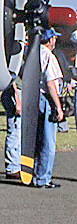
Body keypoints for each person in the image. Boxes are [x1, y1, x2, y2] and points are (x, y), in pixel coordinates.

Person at [34, 28, 66, 188]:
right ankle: (43, 178)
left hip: (34, 98)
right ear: (51, 39)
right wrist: (58, 107)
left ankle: (34, 174)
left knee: (37, 139)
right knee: (48, 141)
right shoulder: (49, 56)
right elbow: (51, 83)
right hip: (46, 99)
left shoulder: (33, 53)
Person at [1, 76, 21, 179]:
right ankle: (12, 168)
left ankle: (18, 164)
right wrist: (17, 99)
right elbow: (11, 78)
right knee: (14, 132)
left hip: (20, 92)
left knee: (19, 132)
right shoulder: (15, 60)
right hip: (14, 93)